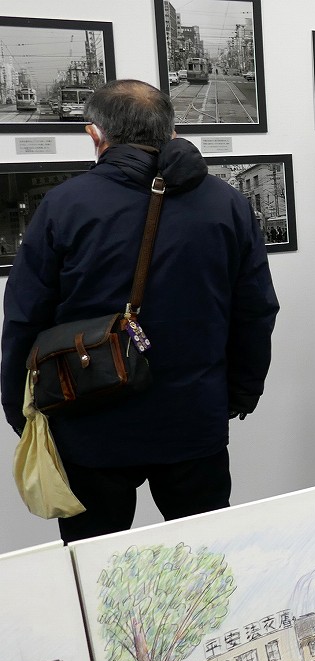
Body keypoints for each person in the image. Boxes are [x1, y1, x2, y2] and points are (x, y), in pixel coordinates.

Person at [0, 79, 279, 543]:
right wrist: (239, 393)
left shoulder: (65, 204)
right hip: (193, 416)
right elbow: (256, 310)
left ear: (95, 134)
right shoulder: (226, 202)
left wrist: (20, 407)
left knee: (96, 563)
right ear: (171, 131)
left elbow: (25, 317)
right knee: (205, 558)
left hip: (89, 414)